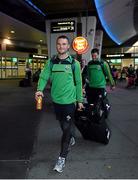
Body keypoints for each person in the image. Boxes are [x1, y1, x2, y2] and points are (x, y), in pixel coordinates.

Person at [35, 35, 83, 173]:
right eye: (59, 44)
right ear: (56, 46)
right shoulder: (51, 62)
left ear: (68, 46)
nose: (61, 46)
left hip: (69, 102)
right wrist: (39, 90)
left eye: (64, 44)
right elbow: (44, 76)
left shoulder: (74, 63)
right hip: (56, 102)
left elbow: (79, 83)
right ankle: (71, 136)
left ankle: (62, 158)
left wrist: (79, 100)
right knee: (63, 125)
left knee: (66, 129)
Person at [83, 48, 115, 113]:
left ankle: (102, 114)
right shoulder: (90, 63)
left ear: (98, 55)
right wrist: (85, 84)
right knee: (91, 103)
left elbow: (109, 74)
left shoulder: (103, 63)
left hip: (100, 87)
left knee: (100, 103)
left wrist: (112, 84)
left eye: (95, 56)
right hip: (91, 87)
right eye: (92, 56)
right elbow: (89, 75)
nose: (94, 57)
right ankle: (92, 115)